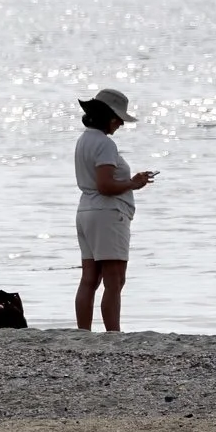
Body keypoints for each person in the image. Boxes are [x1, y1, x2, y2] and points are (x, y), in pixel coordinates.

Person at [73, 86, 155, 331]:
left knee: (90, 278)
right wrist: (134, 183)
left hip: (86, 211)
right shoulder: (105, 145)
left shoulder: (83, 140)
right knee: (114, 279)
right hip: (107, 214)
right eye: (119, 119)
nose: (120, 124)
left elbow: (98, 181)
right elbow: (106, 185)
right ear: (109, 117)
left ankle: (83, 332)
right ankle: (113, 334)